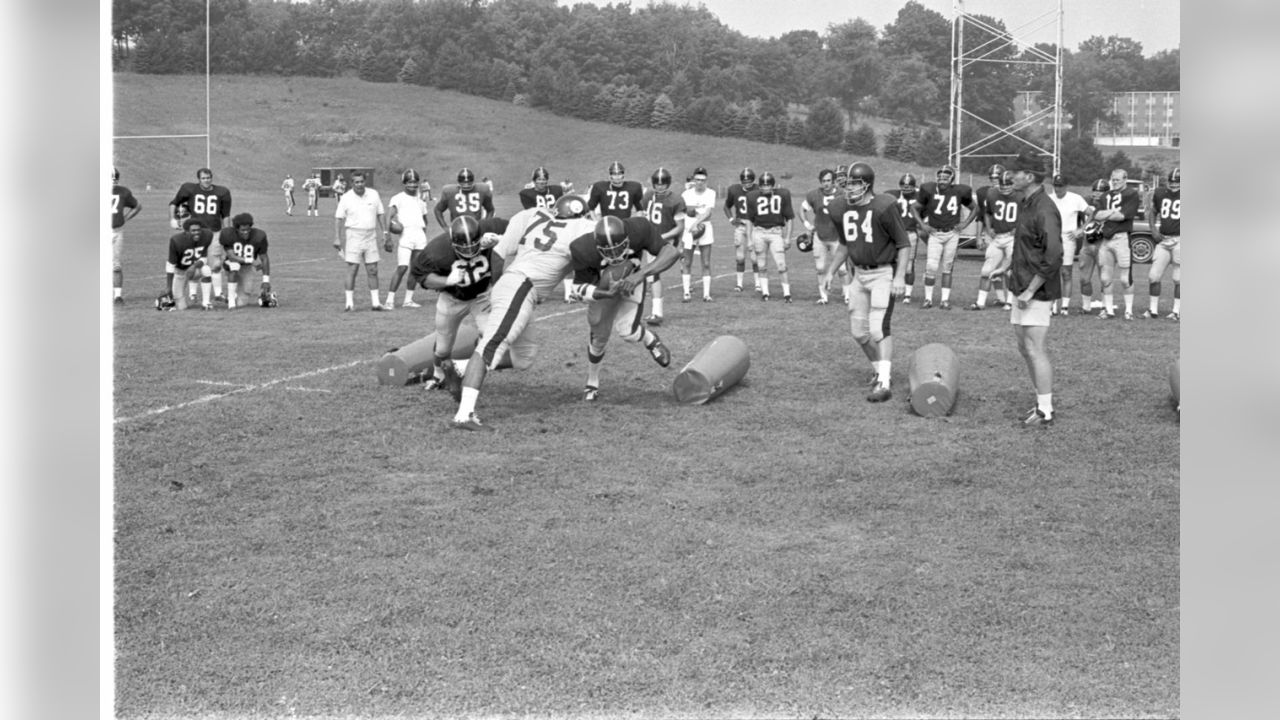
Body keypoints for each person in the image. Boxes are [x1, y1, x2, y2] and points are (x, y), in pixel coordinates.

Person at [450, 194, 599, 431]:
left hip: (516, 285)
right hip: (522, 286)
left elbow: (498, 255)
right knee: (492, 345)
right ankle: (464, 415)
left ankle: (458, 366)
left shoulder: (534, 217)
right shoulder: (582, 226)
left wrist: (495, 286)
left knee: (524, 356)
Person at [569, 215, 680, 401]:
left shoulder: (639, 228)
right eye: (607, 251)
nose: (614, 255)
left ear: (628, 239)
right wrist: (606, 293)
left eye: (619, 248)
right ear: (597, 247)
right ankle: (592, 381)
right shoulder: (582, 248)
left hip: (632, 280)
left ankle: (651, 340)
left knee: (628, 333)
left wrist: (640, 275)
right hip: (602, 288)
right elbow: (578, 287)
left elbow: (672, 252)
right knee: (598, 338)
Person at [825, 162, 911, 402]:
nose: (849, 188)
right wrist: (831, 271)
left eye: (854, 183)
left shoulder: (884, 206)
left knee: (878, 327)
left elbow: (904, 244)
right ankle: (878, 371)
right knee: (858, 332)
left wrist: (900, 276)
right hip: (858, 275)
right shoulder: (841, 208)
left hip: (883, 272)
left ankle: (884, 382)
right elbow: (845, 244)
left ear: (867, 184)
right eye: (848, 183)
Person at [409, 215, 510, 391]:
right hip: (452, 299)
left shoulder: (492, 226)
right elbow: (422, 277)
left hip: (482, 296)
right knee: (442, 349)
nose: (470, 251)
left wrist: (502, 240)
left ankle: (468, 367)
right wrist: (447, 281)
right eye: (464, 247)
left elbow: (523, 232)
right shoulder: (437, 250)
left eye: (474, 244)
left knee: (490, 336)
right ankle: (438, 375)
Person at [1007, 157, 1063, 426]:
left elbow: (1054, 255)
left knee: (1035, 348)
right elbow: (1028, 247)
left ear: (1029, 177)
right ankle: (1040, 401)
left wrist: (1030, 289)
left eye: (1015, 172)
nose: (1010, 176)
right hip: (1021, 286)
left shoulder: (1045, 208)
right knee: (1023, 346)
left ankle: (1046, 410)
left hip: (1035, 290)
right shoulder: (1026, 203)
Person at [913, 164, 976, 309]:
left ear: (951, 179)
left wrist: (965, 223)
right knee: (931, 266)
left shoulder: (960, 191)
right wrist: (923, 225)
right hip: (935, 232)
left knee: (948, 267)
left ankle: (944, 300)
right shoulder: (928, 189)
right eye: (940, 177)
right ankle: (928, 299)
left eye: (945, 178)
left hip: (952, 233)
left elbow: (975, 208)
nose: (942, 180)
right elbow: (914, 208)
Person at [168, 167, 232, 302]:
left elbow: (225, 215)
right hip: (196, 234)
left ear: (212, 178)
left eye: (208, 178)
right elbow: (173, 204)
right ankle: (192, 293)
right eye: (203, 178)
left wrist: (228, 233)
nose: (206, 181)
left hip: (214, 232)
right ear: (199, 179)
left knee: (215, 265)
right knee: (195, 263)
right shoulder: (189, 189)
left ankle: (218, 293)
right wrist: (172, 219)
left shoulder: (222, 192)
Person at [333, 170, 388, 311]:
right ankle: (349, 304)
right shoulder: (346, 198)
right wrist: (337, 238)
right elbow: (339, 218)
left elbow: (380, 214)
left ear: (365, 182)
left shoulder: (373, 194)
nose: (359, 184)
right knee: (353, 269)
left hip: (370, 235)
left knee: (373, 269)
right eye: (356, 182)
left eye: (362, 181)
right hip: (354, 235)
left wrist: (385, 233)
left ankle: (376, 303)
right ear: (352, 183)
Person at [639, 167, 686, 325]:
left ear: (668, 184)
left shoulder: (676, 200)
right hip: (651, 241)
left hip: (664, 242)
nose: (660, 187)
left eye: (663, 184)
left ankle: (657, 313)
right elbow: (642, 216)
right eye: (657, 184)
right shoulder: (648, 197)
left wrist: (661, 237)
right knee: (652, 276)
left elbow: (679, 227)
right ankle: (655, 312)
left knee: (653, 275)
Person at [967, 169, 1018, 310]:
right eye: (1002, 184)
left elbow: (1028, 215)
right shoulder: (992, 193)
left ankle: (1010, 301)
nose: (1005, 187)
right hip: (997, 237)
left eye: (1008, 184)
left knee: (1010, 271)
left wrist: (1018, 228)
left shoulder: (1021, 196)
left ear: (1013, 184)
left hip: (1012, 238)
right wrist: (989, 229)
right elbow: (987, 213)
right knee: (986, 270)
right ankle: (980, 302)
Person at [1094, 167, 1141, 320]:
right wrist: (1111, 213)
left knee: (1125, 278)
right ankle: (1108, 310)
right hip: (1106, 239)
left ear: (1125, 179)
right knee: (1105, 277)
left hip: (1122, 238)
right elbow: (1097, 215)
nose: (1115, 182)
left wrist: (1108, 214)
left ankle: (1128, 310)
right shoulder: (1106, 195)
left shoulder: (1131, 194)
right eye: (1113, 179)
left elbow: (1122, 216)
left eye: (1118, 180)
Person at [744, 171, 795, 302]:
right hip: (759, 232)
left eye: (768, 185)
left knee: (781, 264)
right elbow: (749, 220)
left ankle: (787, 293)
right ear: (759, 186)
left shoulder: (783, 194)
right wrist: (749, 239)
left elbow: (789, 218)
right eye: (763, 185)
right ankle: (765, 293)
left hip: (775, 232)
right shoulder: (751, 196)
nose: (766, 187)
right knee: (761, 265)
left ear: (773, 185)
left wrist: (788, 237)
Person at [385, 169, 432, 309]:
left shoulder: (421, 200)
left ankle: (408, 300)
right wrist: (387, 235)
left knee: (415, 269)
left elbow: (425, 219)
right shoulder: (397, 198)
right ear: (404, 183)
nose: (412, 185)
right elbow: (388, 216)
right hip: (406, 236)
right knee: (402, 267)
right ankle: (389, 300)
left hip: (419, 236)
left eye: (414, 182)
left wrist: (424, 233)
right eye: (409, 182)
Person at [799, 168, 846, 305]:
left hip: (837, 237)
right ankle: (823, 296)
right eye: (823, 181)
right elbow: (801, 209)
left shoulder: (842, 194)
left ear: (834, 181)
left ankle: (847, 295)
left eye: (828, 181)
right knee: (820, 268)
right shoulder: (814, 195)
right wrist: (807, 225)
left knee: (842, 269)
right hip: (820, 236)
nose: (826, 184)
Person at [1047, 173, 1092, 316]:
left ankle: (1065, 306)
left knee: (1066, 272)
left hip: (1068, 237)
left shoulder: (1075, 199)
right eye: (1056, 185)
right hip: (1052, 236)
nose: (1057, 189)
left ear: (1066, 186)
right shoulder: (1048, 198)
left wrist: (1081, 229)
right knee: (1052, 272)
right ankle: (1052, 305)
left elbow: (1091, 213)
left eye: (1060, 186)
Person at [1143, 167, 1181, 320]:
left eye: (1177, 182)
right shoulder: (1160, 193)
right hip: (1164, 239)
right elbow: (1153, 212)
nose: (1173, 184)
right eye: (1171, 181)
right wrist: (1153, 229)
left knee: (1179, 279)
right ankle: (1153, 310)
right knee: (1153, 276)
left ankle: (1177, 311)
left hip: (1180, 239)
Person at [216, 213, 272, 309]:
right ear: (236, 229)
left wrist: (266, 280)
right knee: (235, 266)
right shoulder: (228, 234)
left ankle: (233, 297)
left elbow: (264, 258)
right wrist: (251, 260)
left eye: (248, 229)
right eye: (242, 230)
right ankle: (231, 301)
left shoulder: (259, 236)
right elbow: (232, 256)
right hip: (230, 263)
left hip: (246, 267)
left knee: (244, 298)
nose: (246, 232)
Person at [679, 167, 718, 302]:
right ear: (693, 180)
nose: (700, 182)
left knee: (706, 263)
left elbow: (707, 213)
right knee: (687, 261)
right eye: (697, 180)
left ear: (706, 180)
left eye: (702, 180)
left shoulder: (711, 193)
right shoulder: (686, 194)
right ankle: (686, 293)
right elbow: (686, 211)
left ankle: (706, 294)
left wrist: (697, 222)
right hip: (689, 230)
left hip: (705, 229)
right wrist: (693, 223)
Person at [162, 218, 217, 310]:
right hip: (181, 272)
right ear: (186, 231)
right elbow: (170, 265)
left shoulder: (207, 235)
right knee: (181, 307)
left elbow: (204, 258)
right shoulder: (177, 240)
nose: (197, 232)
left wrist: (194, 266)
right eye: (193, 230)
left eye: (199, 230)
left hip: (195, 269)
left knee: (206, 269)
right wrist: (169, 287)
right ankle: (180, 297)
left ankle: (206, 303)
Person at [723, 167, 763, 293]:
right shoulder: (734, 190)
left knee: (755, 257)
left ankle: (758, 284)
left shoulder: (758, 190)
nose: (747, 184)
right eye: (745, 182)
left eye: (749, 181)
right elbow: (726, 206)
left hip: (754, 226)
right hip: (740, 226)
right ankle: (739, 284)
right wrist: (731, 219)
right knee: (740, 257)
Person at [1077, 178, 1110, 314]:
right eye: (1095, 190)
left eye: (1101, 191)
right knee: (1084, 278)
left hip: (1103, 244)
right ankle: (1086, 306)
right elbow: (1078, 221)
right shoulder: (1085, 205)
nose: (1097, 193)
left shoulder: (1110, 206)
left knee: (1104, 278)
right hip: (1087, 244)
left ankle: (1105, 306)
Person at [888, 174, 921, 305]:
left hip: (910, 232)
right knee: (891, 262)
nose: (906, 188)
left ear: (914, 186)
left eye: (909, 186)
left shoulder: (919, 197)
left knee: (909, 265)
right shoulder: (892, 195)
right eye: (903, 186)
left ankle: (907, 293)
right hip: (895, 233)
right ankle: (892, 289)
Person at [110, 167, 141, 305]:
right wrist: (125, 218)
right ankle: (117, 296)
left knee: (116, 265)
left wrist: (125, 218)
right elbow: (137, 206)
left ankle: (117, 296)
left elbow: (137, 206)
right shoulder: (122, 191)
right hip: (114, 230)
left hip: (115, 230)